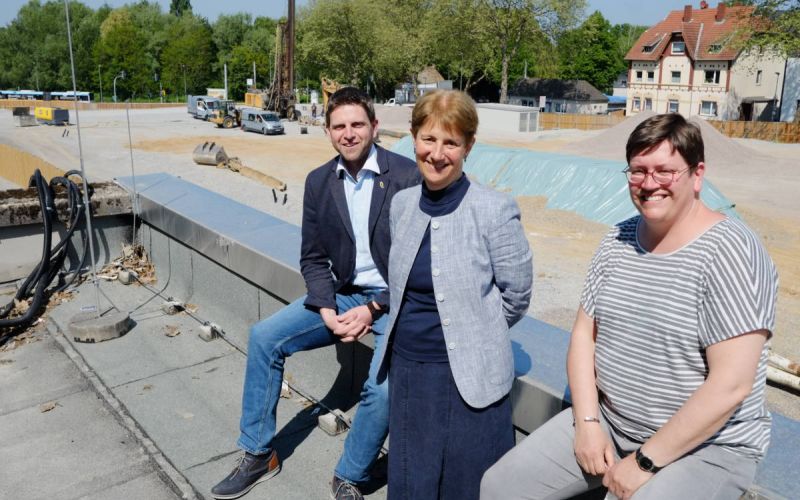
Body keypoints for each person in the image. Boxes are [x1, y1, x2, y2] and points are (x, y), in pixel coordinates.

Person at [481, 113, 778, 500]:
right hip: (611, 422)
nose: (649, 184)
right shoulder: (617, 239)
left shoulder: (731, 252)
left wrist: (644, 462)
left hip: (707, 448)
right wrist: (588, 423)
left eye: (664, 171)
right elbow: (584, 337)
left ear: (697, 173)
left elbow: (730, 386)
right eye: (638, 171)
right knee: (500, 486)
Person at [211, 87, 420, 500]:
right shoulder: (319, 182)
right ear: (326, 131)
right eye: (339, 126)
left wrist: (375, 307)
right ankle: (258, 453)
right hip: (343, 295)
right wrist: (325, 307)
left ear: (374, 127)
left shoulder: (407, 177)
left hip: (395, 300)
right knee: (264, 338)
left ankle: (350, 475)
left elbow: (418, 262)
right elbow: (312, 259)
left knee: (382, 388)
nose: (349, 133)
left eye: (357, 124)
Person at [372, 89, 533, 499]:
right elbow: (400, 282)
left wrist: (472, 328)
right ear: (413, 139)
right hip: (411, 372)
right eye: (428, 139)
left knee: (467, 486)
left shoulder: (494, 210)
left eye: (451, 142)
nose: (437, 153)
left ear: (468, 147)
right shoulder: (403, 204)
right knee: (412, 483)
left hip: (470, 377)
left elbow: (516, 295)